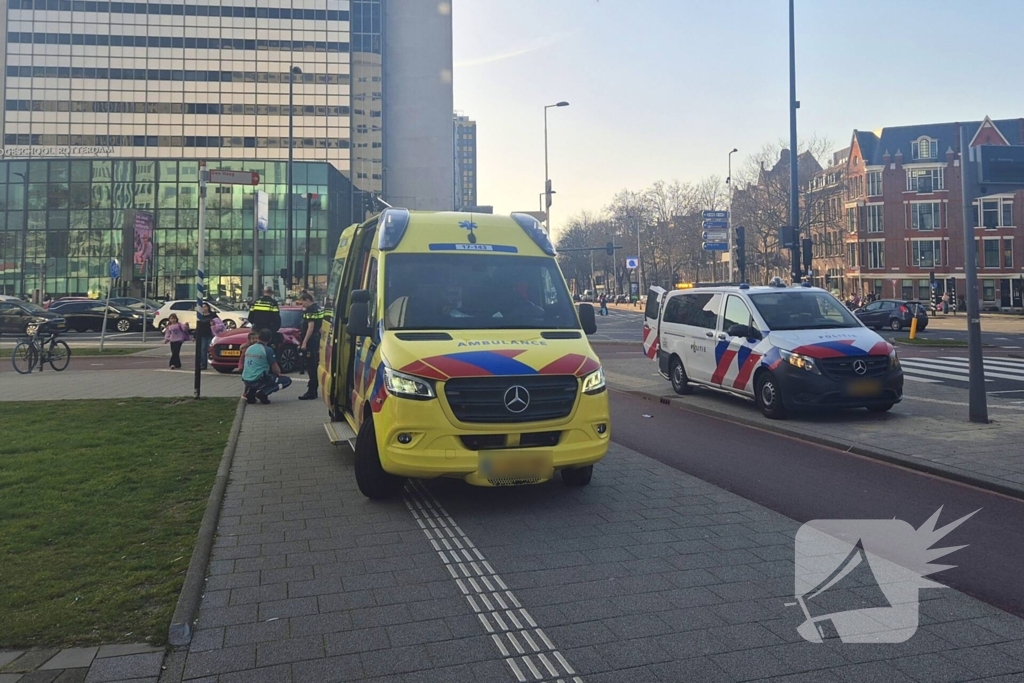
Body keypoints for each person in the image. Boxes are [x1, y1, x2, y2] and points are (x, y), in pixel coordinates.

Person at [241, 328, 292, 404]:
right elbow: (275, 367)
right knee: (286, 381)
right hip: (258, 380)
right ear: (270, 339)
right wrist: (279, 374)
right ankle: (263, 393)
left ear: (258, 337)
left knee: (258, 373)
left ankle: (251, 394)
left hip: (246, 380)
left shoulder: (249, 348)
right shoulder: (267, 350)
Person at [297, 292, 323, 400]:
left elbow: (310, 327)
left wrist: (304, 342)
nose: (301, 304)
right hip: (316, 340)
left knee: (311, 367)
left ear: (307, 300)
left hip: (311, 342)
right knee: (313, 365)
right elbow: (320, 327)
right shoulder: (318, 309)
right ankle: (313, 389)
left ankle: (311, 391)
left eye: (302, 301)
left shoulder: (310, 311)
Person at [194, 303, 221, 370]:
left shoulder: (213, 315)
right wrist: (195, 335)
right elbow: (198, 327)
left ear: (208, 307)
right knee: (203, 350)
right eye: (202, 307)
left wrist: (213, 324)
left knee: (212, 349)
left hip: (211, 334)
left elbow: (219, 323)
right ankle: (203, 364)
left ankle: (216, 362)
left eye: (205, 306)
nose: (204, 308)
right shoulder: (200, 316)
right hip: (203, 335)